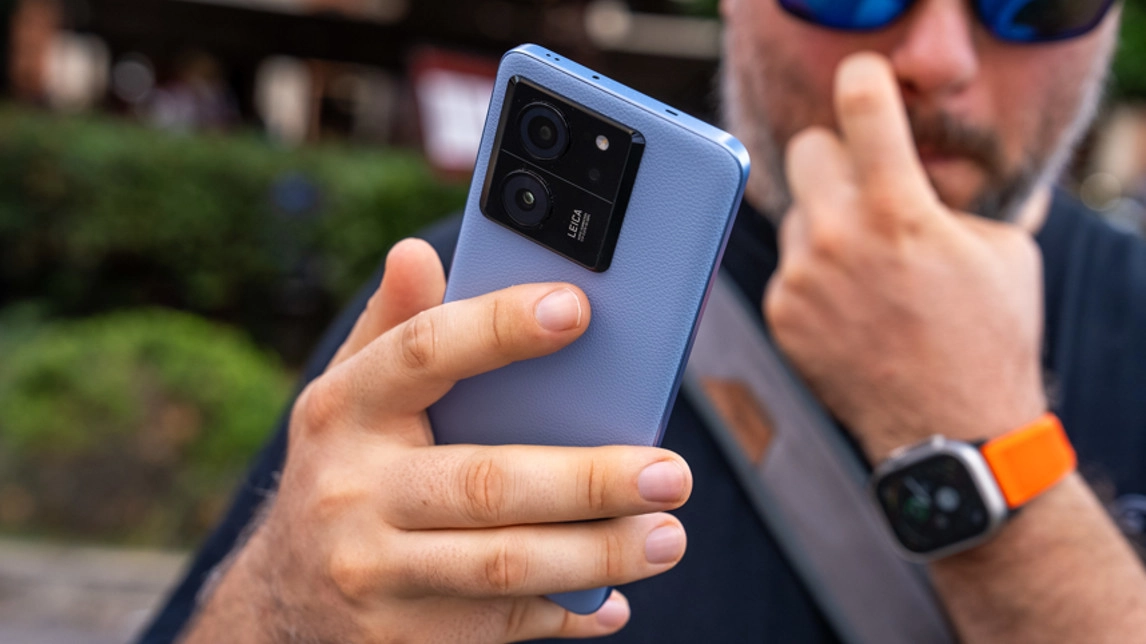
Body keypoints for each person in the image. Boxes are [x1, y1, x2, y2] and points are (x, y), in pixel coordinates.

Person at [141, 1, 1146, 641]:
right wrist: (285, 606)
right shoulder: (446, 295)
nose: (937, 55)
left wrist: (986, 444)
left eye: (1036, 2)